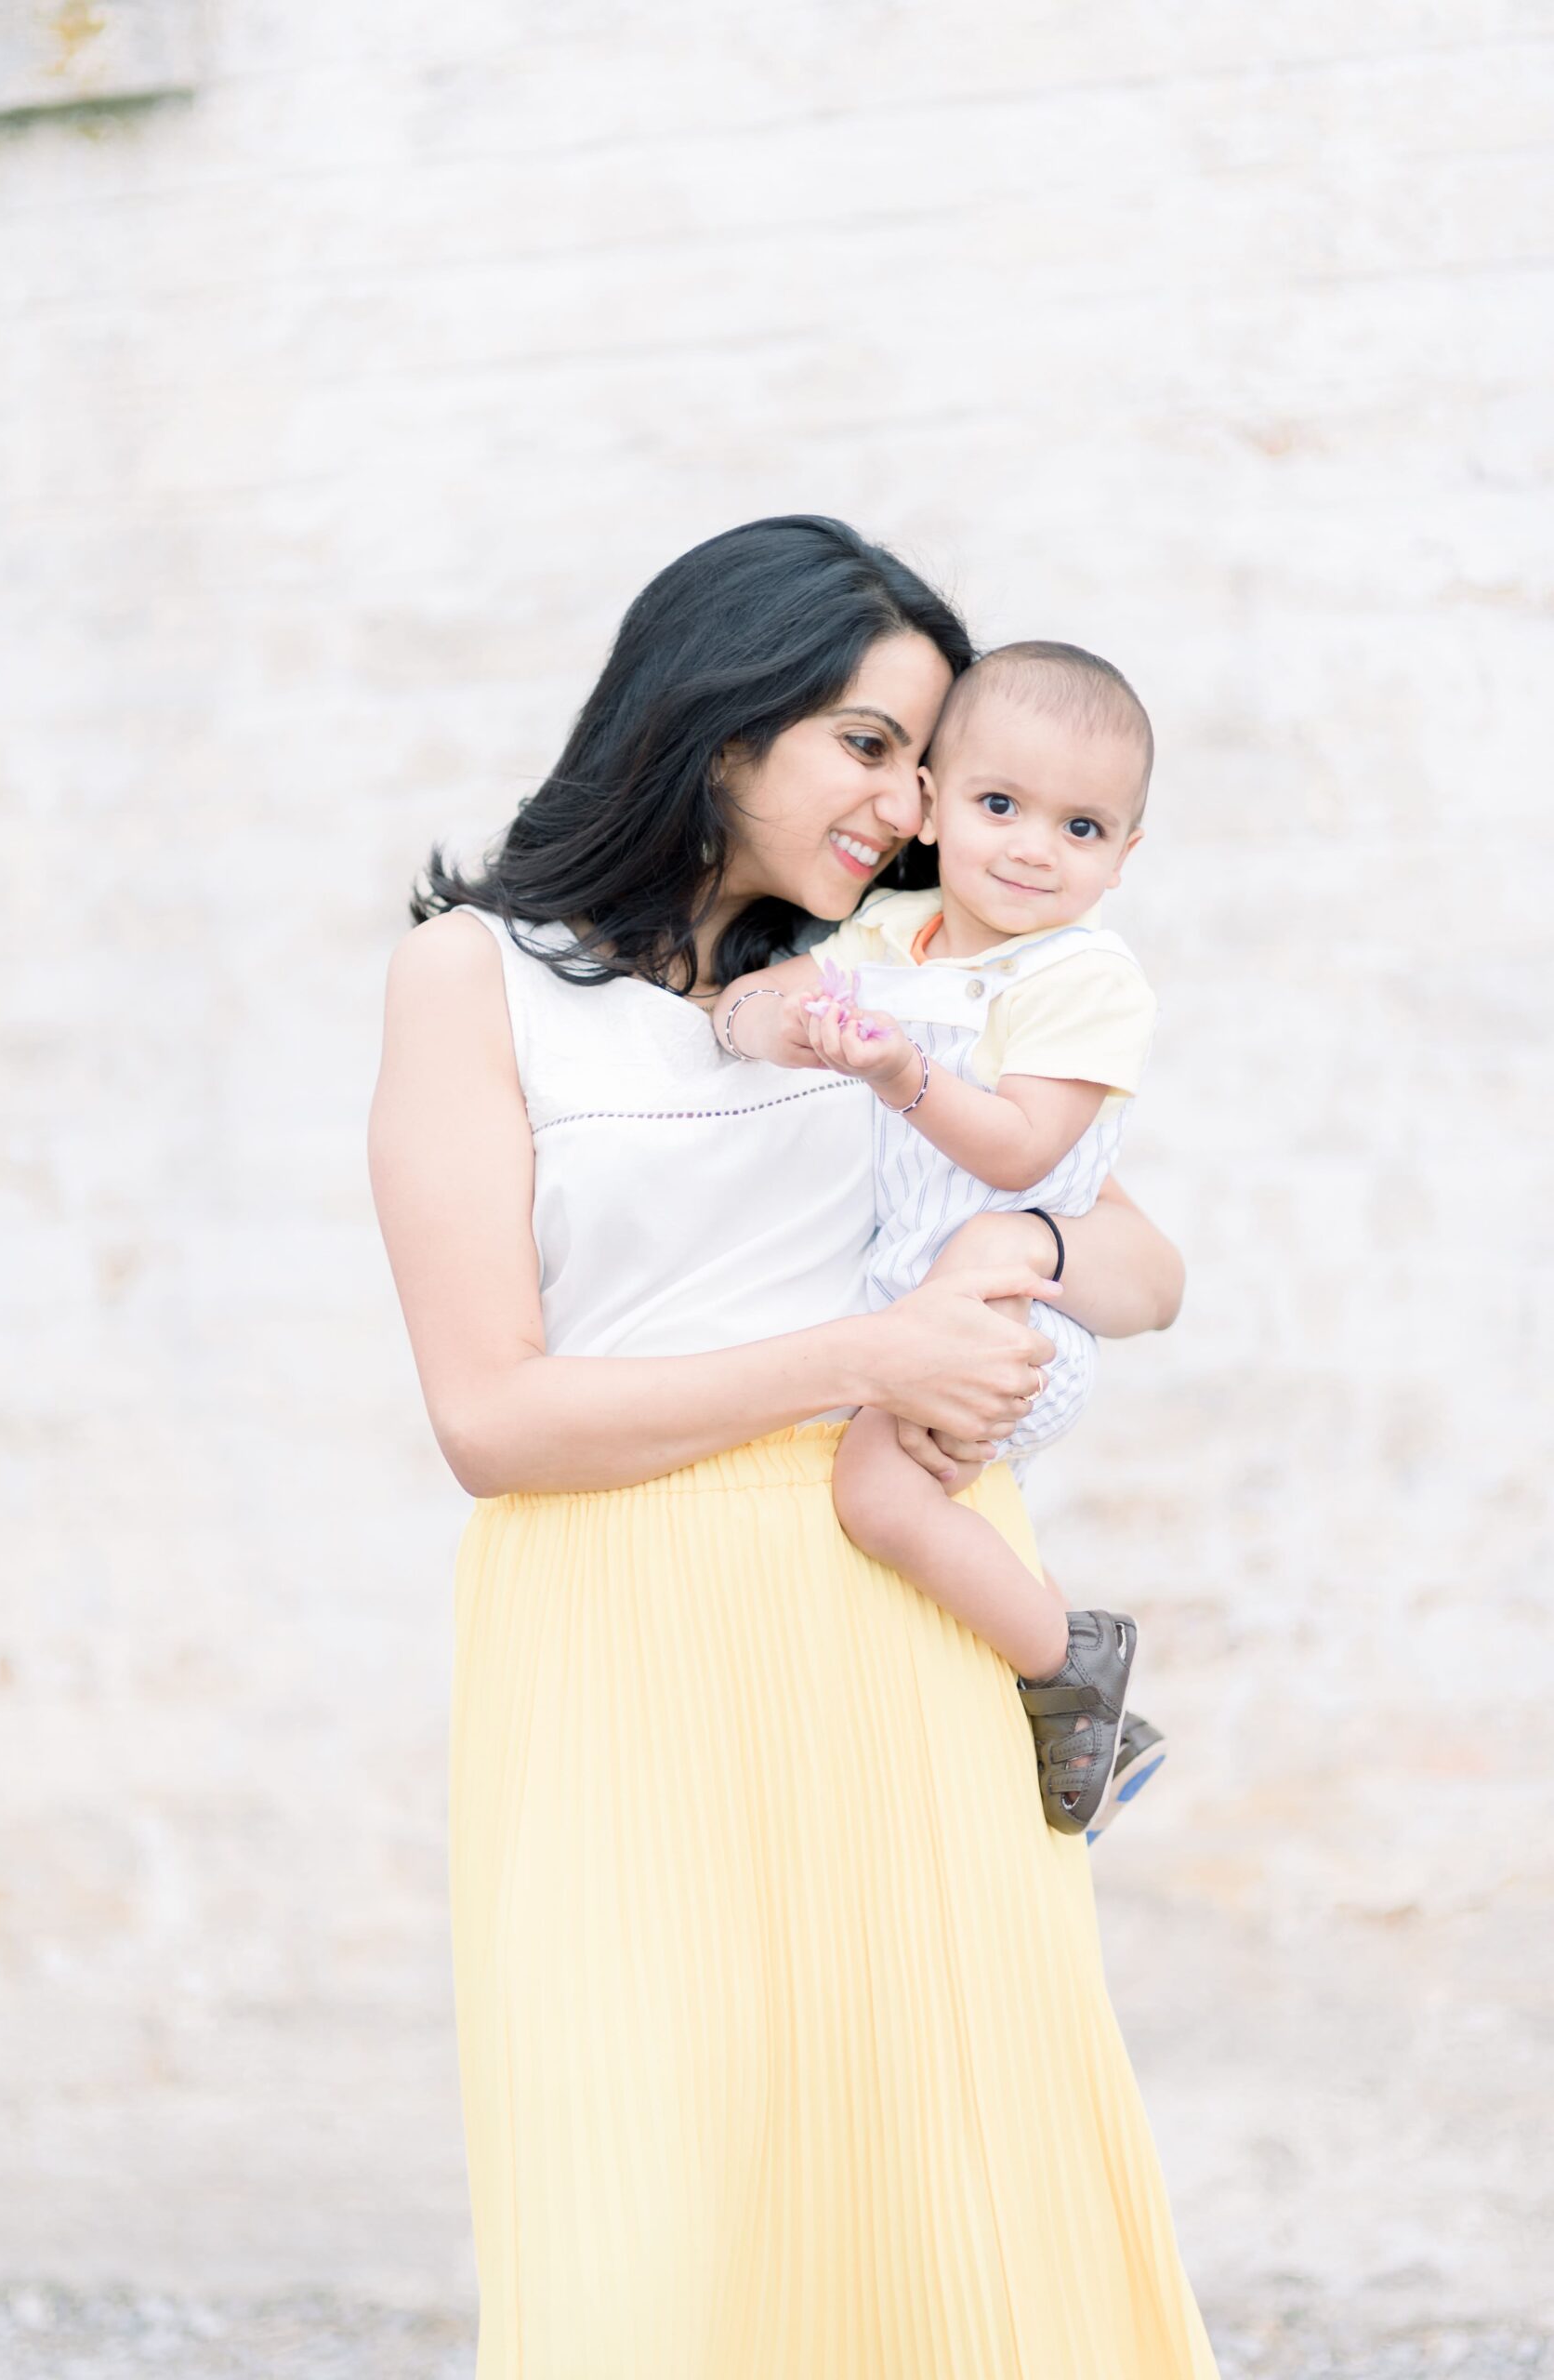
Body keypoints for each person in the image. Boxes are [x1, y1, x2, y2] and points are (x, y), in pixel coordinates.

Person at [369, 516, 1216, 2376]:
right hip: (615, 1633)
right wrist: (864, 1350)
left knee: (956, 2190)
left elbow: (1144, 1267)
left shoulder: (896, 972)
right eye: (868, 743)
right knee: (648, 2204)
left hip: (902, 1622)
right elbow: (488, 1417)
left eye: (926, 758)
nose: (910, 802)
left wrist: (1018, 1245)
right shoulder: (476, 978)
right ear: (717, 714)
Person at [710, 638, 1160, 1836]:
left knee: (875, 1496)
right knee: (916, 1507)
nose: (1032, 847)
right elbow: (761, 999)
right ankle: (1082, 1703)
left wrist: (899, 1073)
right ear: (931, 802)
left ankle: (1072, 1663)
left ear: (1124, 856)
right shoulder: (893, 933)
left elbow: (1022, 1151)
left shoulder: (1082, 977)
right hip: (912, 1302)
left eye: (1081, 827)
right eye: (1000, 804)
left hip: (1009, 1317)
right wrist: (767, 1020)